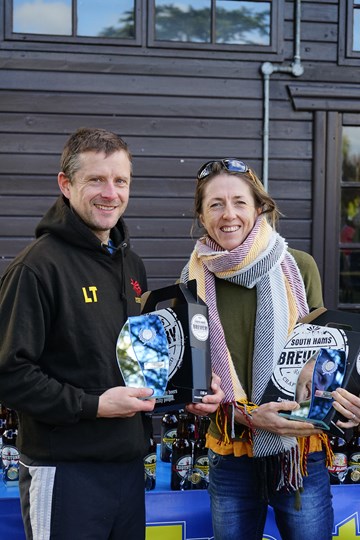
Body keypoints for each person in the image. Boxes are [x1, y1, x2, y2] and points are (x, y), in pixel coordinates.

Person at [0, 127, 223, 540]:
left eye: (120, 181)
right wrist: (93, 405)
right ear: (66, 185)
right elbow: (9, 375)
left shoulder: (131, 265)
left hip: (127, 467)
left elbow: (132, 362)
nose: (110, 192)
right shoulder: (35, 269)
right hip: (66, 471)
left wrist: (185, 391)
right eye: (96, 180)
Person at [179, 158, 360, 540]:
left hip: (299, 449)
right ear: (201, 213)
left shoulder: (299, 266)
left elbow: (320, 356)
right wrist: (248, 417)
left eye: (240, 202)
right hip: (231, 453)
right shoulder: (189, 281)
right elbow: (192, 381)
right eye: (215, 204)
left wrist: (346, 400)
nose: (229, 215)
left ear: (259, 207)